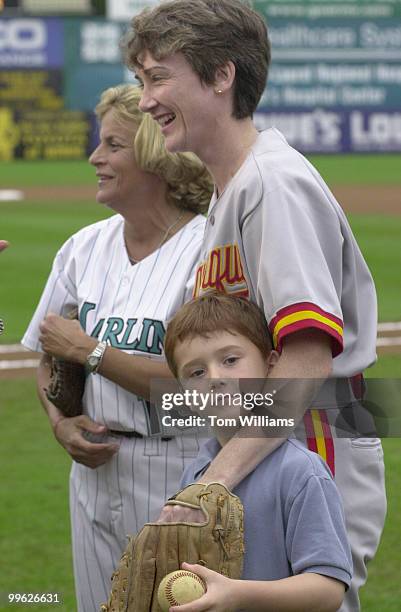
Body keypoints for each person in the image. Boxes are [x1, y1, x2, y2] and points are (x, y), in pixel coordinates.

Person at [122, 2, 386, 610]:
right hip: (267, 446)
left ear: (222, 75)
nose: (145, 100)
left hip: (310, 444)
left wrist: (212, 483)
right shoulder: (236, 188)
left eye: (159, 77)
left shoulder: (273, 185)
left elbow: (307, 352)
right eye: (141, 81)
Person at [21, 84, 212, 612]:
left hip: (180, 468)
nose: (95, 158)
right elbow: (49, 357)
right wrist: (60, 423)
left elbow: (206, 394)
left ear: (157, 156)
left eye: (113, 145)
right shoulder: (83, 248)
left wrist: (93, 352)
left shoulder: (208, 249)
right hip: (92, 472)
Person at [163, 292, 352, 612]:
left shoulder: (300, 470)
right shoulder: (197, 473)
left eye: (230, 360)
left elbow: (328, 589)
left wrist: (237, 595)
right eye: (196, 373)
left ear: (271, 364)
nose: (216, 379)